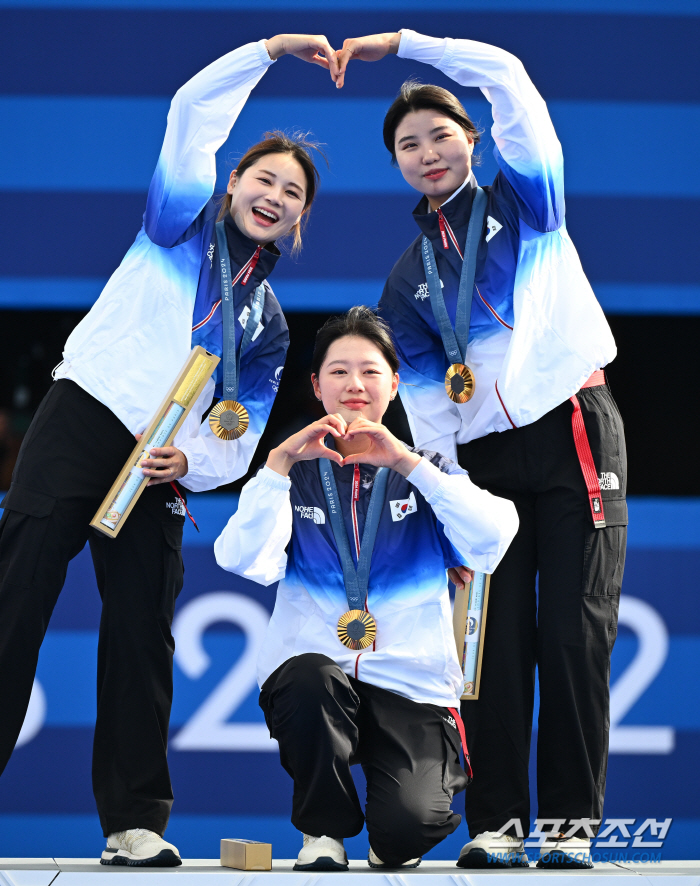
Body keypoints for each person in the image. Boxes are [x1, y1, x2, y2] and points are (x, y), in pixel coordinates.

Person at [0, 33, 340, 866]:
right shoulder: (175, 223)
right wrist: (268, 50)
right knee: (15, 600)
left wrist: (193, 464)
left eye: (291, 192)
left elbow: (242, 430)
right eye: (263, 178)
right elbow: (192, 111)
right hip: (85, 415)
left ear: (299, 220)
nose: (274, 195)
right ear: (230, 184)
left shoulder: (268, 327)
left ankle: (133, 821)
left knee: (143, 632)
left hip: (161, 466)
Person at [332, 31, 628, 868]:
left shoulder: (530, 200)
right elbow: (425, 403)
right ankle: (496, 823)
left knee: (573, 632)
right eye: (407, 145)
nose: (426, 154)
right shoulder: (407, 275)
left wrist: (408, 44)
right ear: (395, 164)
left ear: (474, 140)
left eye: (439, 135)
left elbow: (510, 78)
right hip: (485, 464)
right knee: (491, 647)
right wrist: (452, 492)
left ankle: (571, 824)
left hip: (571, 428)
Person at [214, 307, 518, 870]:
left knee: (409, 831)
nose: (354, 384)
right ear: (316, 384)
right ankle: (322, 834)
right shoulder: (292, 472)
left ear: (395, 383)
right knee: (309, 678)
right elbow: (241, 560)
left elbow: (495, 537)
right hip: (318, 676)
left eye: (371, 371)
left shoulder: (428, 469)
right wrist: (278, 463)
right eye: (338, 371)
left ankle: (390, 825)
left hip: (412, 684)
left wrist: (407, 462)